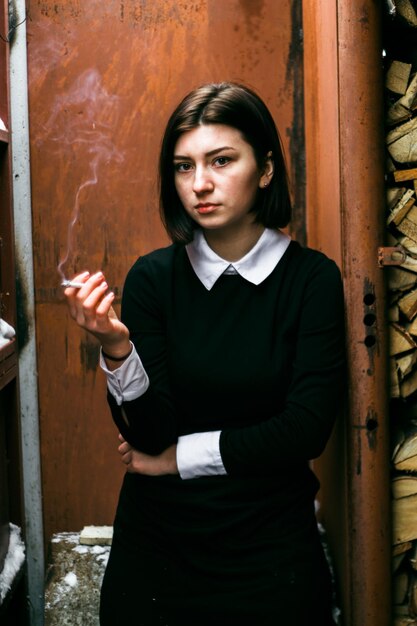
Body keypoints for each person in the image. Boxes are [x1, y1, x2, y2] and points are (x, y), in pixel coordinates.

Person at [64, 81, 346, 626]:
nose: (200, 184)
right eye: (183, 166)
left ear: (265, 169)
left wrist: (178, 459)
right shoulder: (153, 278)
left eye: (221, 161)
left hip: (270, 552)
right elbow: (148, 433)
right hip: (159, 552)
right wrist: (117, 348)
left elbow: (305, 429)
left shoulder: (310, 280)